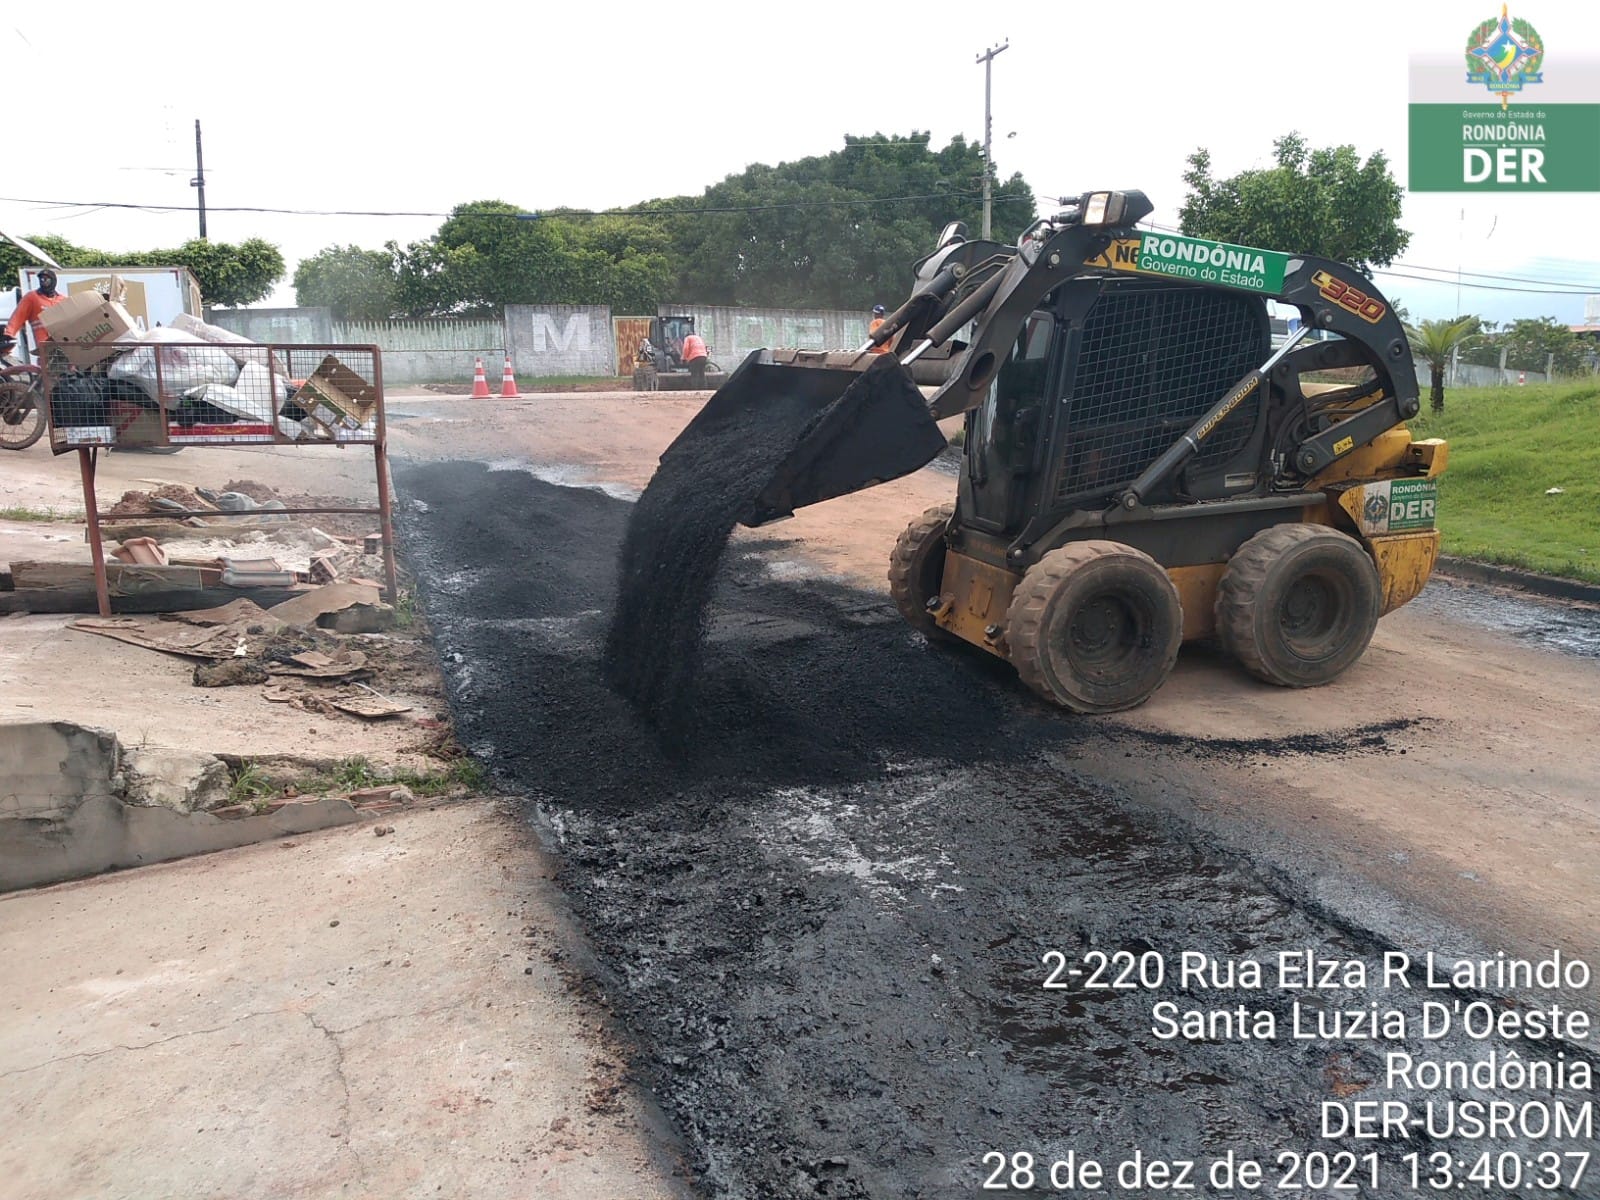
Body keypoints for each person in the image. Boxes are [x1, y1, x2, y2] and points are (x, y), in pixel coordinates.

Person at [5, 269, 67, 349]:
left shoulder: (62, 300)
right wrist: (8, 335)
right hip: (44, 347)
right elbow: (17, 317)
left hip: (64, 344)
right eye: (41, 279)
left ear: (53, 281)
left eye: (46, 279)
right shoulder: (32, 297)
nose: (43, 281)